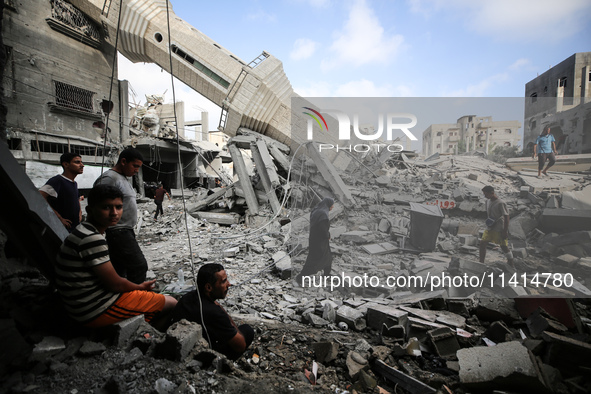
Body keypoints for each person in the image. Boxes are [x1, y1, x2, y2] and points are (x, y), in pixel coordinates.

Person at [54, 184, 177, 330]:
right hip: (93, 308)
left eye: (118, 207)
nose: (114, 213)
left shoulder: (83, 230)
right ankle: (149, 333)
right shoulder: (92, 239)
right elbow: (116, 284)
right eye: (106, 207)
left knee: (154, 299)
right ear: (90, 210)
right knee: (172, 303)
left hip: (81, 303)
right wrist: (139, 287)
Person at [170, 263, 254, 360]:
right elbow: (240, 346)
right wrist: (223, 313)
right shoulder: (215, 312)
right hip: (204, 358)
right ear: (208, 287)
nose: (229, 284)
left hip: (180, 349)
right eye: (224, 281)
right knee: (247, 330)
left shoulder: (187, 297)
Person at [93, 148, 147, 284]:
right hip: (118, 231)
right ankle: (136, 297)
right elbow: (97, 202)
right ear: (123, 161)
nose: (136, 170)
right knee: (139, 266)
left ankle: (121, 297)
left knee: (119, 268)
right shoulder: (109, 178)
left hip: (126, 229)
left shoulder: (123, 179)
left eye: (138, 167)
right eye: (135, 166)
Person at [39, 152, 84, 231]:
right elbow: (40, 196)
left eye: (81, 162)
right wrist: (59, 218)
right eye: (77, 162)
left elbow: (77, 199)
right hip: (63, 229)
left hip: (74, 227)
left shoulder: (74, 183)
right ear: (66, 164)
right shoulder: (57, 181)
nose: (82, 165)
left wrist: (79, 213)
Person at [294, 197, 335, 284]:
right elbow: (323, 229)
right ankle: (300, 277)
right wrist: (328, 235)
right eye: (332, 205)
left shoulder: (317, 210)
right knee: (315, 260)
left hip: (315, 239)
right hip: (319, 241)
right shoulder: (323, 214)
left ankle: (327, 274)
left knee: (328, 257)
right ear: (328, 205)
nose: (333, 207)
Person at [479, 186, 514, 269]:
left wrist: (505, 231)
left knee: (504, 246)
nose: (485, 196)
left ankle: (511, 263)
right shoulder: (487, 202)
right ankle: (481, 262)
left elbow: (506, 217)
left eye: (486, 194)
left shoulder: (501, 203)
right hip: (490, 227)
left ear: (492, 193)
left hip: (499, 227)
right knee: (482, 243)